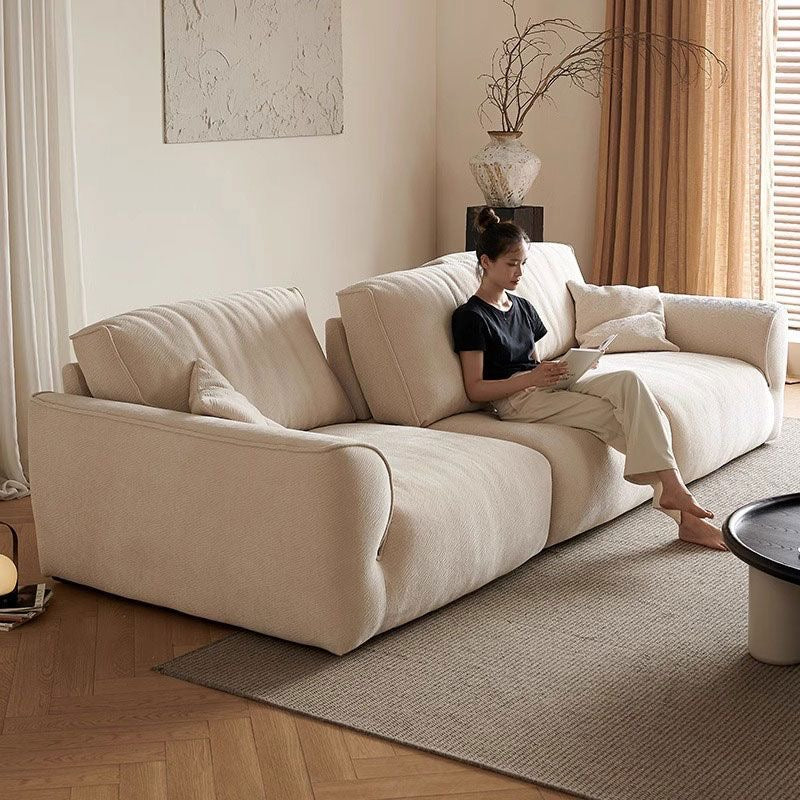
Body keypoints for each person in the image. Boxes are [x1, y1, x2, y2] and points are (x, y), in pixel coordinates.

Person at [451, 207, 728, 551]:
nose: (519, 272)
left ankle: (675, 493)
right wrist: (533, 377)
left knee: (628, 382)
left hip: (544, 384)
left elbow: (534, 362)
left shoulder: (522, 307)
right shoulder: (470, 317)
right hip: (516, 400)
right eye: (511, 264)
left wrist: (569, 366)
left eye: (523, 263)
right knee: (621, 418)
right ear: (486, 262)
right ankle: (685, 514)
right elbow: (475, 389)